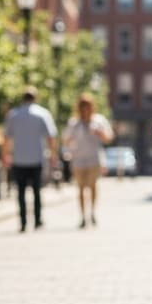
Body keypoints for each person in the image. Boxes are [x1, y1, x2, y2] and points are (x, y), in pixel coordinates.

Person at [3, 86, 57, 232]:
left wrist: (5, 155)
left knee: (20, 193)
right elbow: (51, 137)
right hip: (36, 158)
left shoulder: (13, 115)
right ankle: (38, 220)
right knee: (36, 191)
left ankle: (23, 222)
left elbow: (6, 138)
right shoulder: (42, 114)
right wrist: (53, 155)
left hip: (19, 159)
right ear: (35, 98)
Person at [63, 93, 114, 228]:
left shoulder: (99, 121)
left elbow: (109, 138)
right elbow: (66, 140)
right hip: (78, 160)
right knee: (80, 188)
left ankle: (92, 212)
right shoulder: (74, 123)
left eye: (88, 106)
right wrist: (71, 141)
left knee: (92, 186)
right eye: (83, 106)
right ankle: (82, 216)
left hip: (94, 159)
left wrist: (100, 133)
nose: (85, 109)